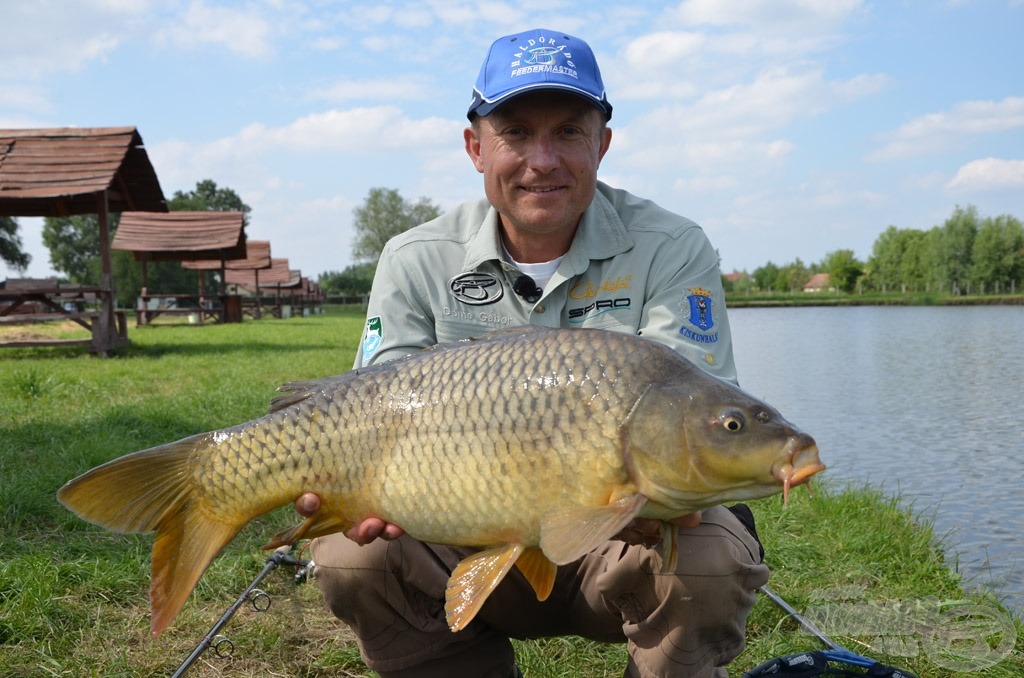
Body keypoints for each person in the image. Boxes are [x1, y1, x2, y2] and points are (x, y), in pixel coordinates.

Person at [298, 28, 769, 677]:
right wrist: (352, 485)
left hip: (620, 550)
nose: (542, 160)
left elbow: (691, 420)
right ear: (476, 147)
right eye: (517, 133)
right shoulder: (416, 258)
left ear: (602, 142)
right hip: (461, 539)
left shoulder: (671, 247)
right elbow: (372, 413)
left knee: (713, 555)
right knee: (351, 557)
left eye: (569, 133)